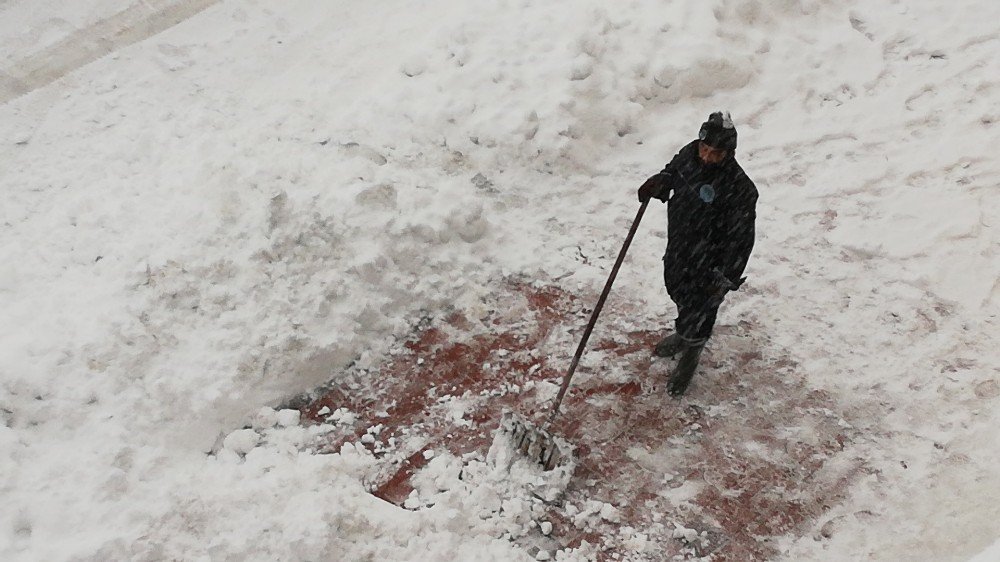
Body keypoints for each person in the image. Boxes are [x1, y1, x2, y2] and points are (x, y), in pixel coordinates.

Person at [637, 111, 758, 397]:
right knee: (678, 290)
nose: (706, 157)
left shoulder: (740, 189)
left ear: (729, 153)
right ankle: (684, 333)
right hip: (680, 247)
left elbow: (743, 239)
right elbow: (673, 170)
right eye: (704, 149)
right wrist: (661, 181)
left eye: (715, 153)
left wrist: (727, 275)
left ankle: (692, 349)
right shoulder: (689, 154)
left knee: (701, 308)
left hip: (711, 263)